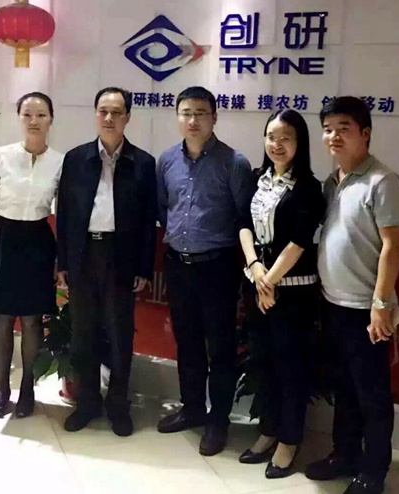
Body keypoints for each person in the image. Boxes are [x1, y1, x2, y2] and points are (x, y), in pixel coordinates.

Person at [306, 96, 399, 494]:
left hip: (366, 309)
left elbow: (393, 245)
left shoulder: (383, 181)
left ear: (365, 133)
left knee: (371, 395)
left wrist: (381, 305)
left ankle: (373, 472)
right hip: (333, 304)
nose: (333, 136)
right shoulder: (333, 181)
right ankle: (344, 454)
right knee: (344, 388)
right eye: (328, 129)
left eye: (343, 128)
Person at [155, 86, 254, 456]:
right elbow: (163, 208)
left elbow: (244, 217)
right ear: (177, 117)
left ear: (215, 117)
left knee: (221, 347)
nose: (193, 120)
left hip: (218, 267)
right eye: (186, 113)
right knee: (188, 342)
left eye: (200, 113)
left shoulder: (234, 163)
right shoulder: (166, 161)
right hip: (178, 265)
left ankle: (219, 420)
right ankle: (193, 408)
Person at [57, 87, 157, 437]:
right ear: (95, 114)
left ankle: (117, 405)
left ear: (128, 117)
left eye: (117, 112)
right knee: (82, 333)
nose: (109, 118)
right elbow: (65, 214)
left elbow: (148, 221)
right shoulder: (75, 159)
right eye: (103, 111)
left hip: (120, 256)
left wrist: (144, 267)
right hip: (83, 254)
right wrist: (62, 262)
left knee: (119, 334)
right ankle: (87, 402)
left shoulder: (143, 163)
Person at [237, 109, 325, 478]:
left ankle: (289, 441)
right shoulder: (257, 179)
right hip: (257, 287)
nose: (277, 144)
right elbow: (243, 223)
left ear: (299, 143)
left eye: (285, 138)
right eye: (271, 136)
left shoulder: (309, 187)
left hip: (293, 294)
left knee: (291, 369)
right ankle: (269, 431)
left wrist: (269, 280)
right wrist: (256, 268)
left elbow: (300, 241)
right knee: (264, 364)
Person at [0, 92, 63, 420]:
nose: (34, 121)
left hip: (38, 241)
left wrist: (61, 258)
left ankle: (27, 389)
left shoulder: (60, 162)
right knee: (2, 319)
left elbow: (64, 213)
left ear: (51, 119)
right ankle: (1, 390)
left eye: (41, 115)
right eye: (27, 115)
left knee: (33, 320)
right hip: (1, 238)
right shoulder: (2, 155)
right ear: (19, 118)